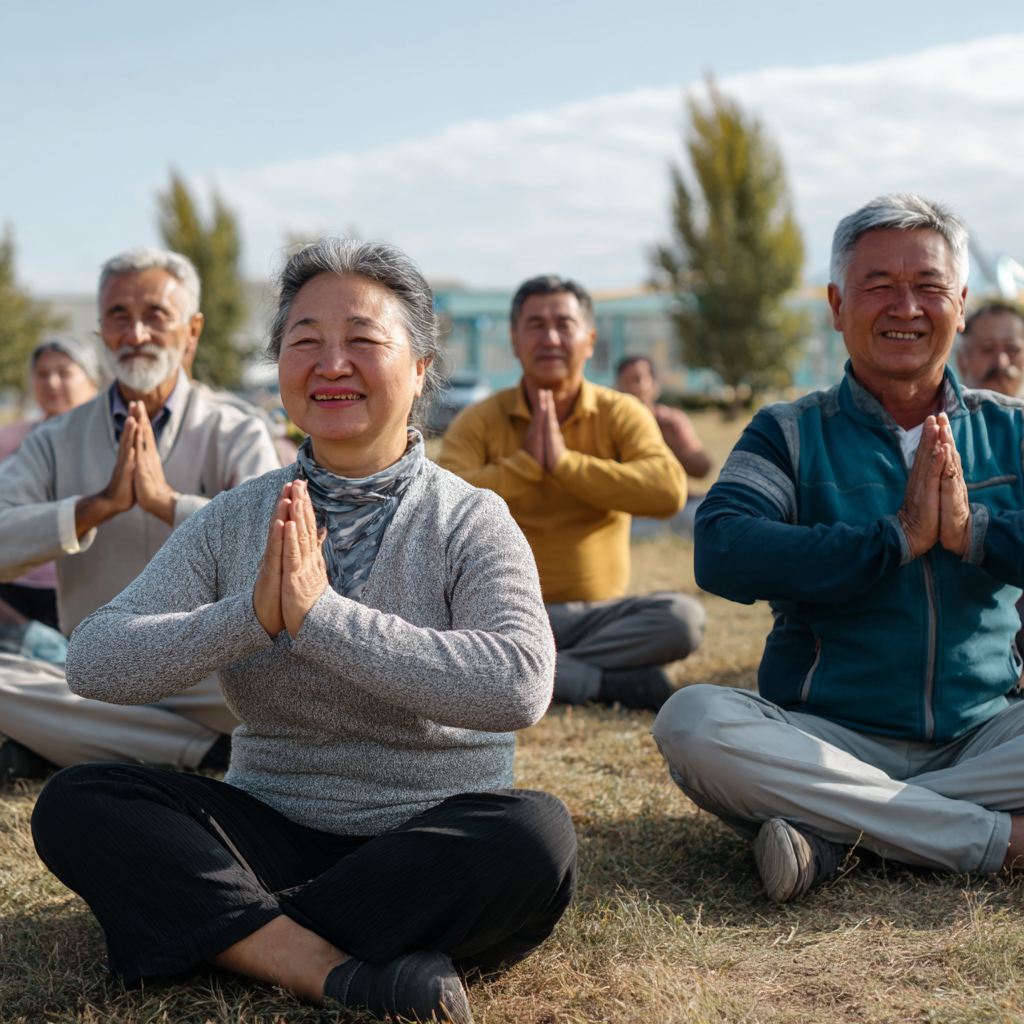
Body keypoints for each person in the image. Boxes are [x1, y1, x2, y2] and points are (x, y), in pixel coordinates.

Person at [31, 239, 576, 1024]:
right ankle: (329, 967)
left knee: (537, 836)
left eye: (363, 340)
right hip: (272, 823)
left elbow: (519, 682)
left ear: (421, 367)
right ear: (280, 363)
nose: (332, 364)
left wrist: (321, 618)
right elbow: (96, 659)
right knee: (79, 803)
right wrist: (249, 618)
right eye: (305, 341)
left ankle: (236, 930)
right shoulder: (238, 517)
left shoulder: (471, 519)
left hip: (430, 832)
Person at [652, 193, 1024, 904]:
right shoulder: (789, 432)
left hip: (988, 735)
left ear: (963, 303)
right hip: (824, 739)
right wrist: (894, 541)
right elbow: (723, 548)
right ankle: (993, 840)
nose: (906, 307)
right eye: (879, 285)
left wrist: (971, 533)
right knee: (693, 721)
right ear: (836, 304)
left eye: (928, 287)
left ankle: (830, 828)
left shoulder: (1012, 430)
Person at [0, 246, 280, 781]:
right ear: (101, 330)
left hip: (211, 669)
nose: (136, 334)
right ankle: (200, 751)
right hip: (96, 667)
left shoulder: (235, 429)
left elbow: (268, 547)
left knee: (275, 685)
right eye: (119, 317)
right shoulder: (55, 439)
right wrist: (92, 508)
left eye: (155, 315)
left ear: (191, 331)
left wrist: (166, 504)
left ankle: (77, 740)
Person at [439, 276, 705, 712]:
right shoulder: (481, 419)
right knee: (441, 630)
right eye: (536, 325)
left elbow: (668, 492)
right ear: (514, 339)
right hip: (502, 619)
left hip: (596, 618)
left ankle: (522, 674)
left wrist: (567, 465)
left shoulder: (620, 413)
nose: (550, 337)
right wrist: (527, 465)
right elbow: (442, 507)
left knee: (682, 619)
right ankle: (594, 680)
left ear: (590, 340)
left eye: (564, 324)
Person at [0, 337, 100, 629]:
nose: (52, 383)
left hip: (78, 591)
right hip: (11, 587)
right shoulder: (11, 437)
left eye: (64, 373)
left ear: (92, 382)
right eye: (42, 374)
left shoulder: (107, 444)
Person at [615, 355, 712, 537]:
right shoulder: (609, 425)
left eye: (638, 380)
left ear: (655, 386)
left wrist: (673, 442)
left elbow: (703, 468)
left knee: (710, 515)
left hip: (678, 509)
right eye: (624, 382)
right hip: (632, 517)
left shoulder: (670, 421)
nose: (631, 389)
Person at [956, 302, 1024, 396]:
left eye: (1012, 349)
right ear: (962, 361)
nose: (1002, 363)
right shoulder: (941, 409)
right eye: (988, 349)